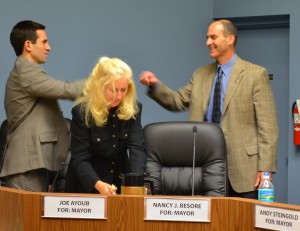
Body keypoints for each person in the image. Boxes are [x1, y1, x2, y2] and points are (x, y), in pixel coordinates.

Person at [139, 19, 279, 199]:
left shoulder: (255, 75)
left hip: (244, 170)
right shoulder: (200, 75)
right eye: (207, 38)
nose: (207, 42)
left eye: (213, 37)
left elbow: (268, 126)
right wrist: (155, 86)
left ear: (230, 39)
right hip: (202, 167)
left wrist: (265, 168)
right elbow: (178, 101)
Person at [0, 20, 85, 192]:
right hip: (26, 167)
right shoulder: (26, 71)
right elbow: (65, 90)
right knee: (26, 219)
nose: (49, 48)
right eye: (44, 42)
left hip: (32, 165)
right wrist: (101, 81)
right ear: (28, 45)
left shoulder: (26, 70)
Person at [64, 57, 147, 195]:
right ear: (100, 86)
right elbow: (80, 158)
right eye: (113, 90)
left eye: (123, 90)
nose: (119, 96)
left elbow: (137, 148)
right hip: (86, 187)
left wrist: (136, 184)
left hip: (119, 184)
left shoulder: (133, 109)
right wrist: (97, 184)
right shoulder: (82, 112)